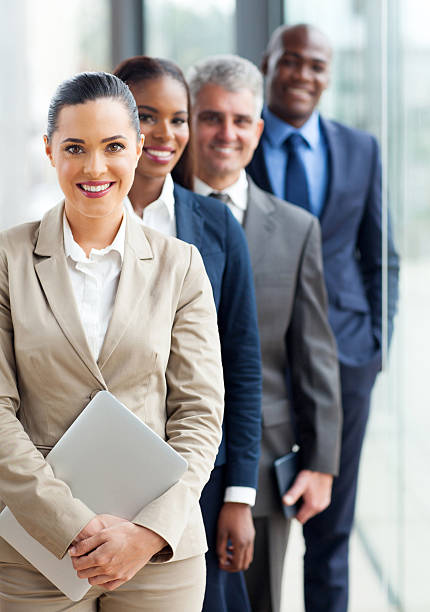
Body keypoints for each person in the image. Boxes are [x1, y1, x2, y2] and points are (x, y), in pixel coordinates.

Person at [0, 71, 225, 612]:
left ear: (140, 149)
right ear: (49, 150)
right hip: (36, 549)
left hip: (158, 551)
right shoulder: (7, 260)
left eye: (114, 147)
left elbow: (199, 414)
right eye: (75, 147)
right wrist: (71, 525)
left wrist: (145, 533)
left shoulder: (181, 265)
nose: (94, 168)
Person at [246, 24, 400, 612]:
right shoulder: (238, 138)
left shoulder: (361, 149)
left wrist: (376, 345)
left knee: (333, 533)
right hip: (261, 364)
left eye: (316, 66)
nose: (303, 75)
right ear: (268, 63)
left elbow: (380, 256)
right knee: (256, 527)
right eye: (292, 61)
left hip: (346, 362)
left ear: (327, 75)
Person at [187, 54, 342, 612]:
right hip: (173, 460)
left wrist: (322, 464)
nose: (225, 133)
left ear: (258, 128)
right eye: (210, 117)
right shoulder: (158, 216)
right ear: (189, 120)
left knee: (261, 602)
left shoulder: (298, 229)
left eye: (240, 120)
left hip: (264, 463)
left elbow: (315, 355)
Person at [113, 57, 262, 612]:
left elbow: (241, 363)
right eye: (145, 115)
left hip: (199, 476)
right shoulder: (74, 222)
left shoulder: (216, 226)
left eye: (179, 119)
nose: (165, 134)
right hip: (100, 472)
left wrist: (239, 495)